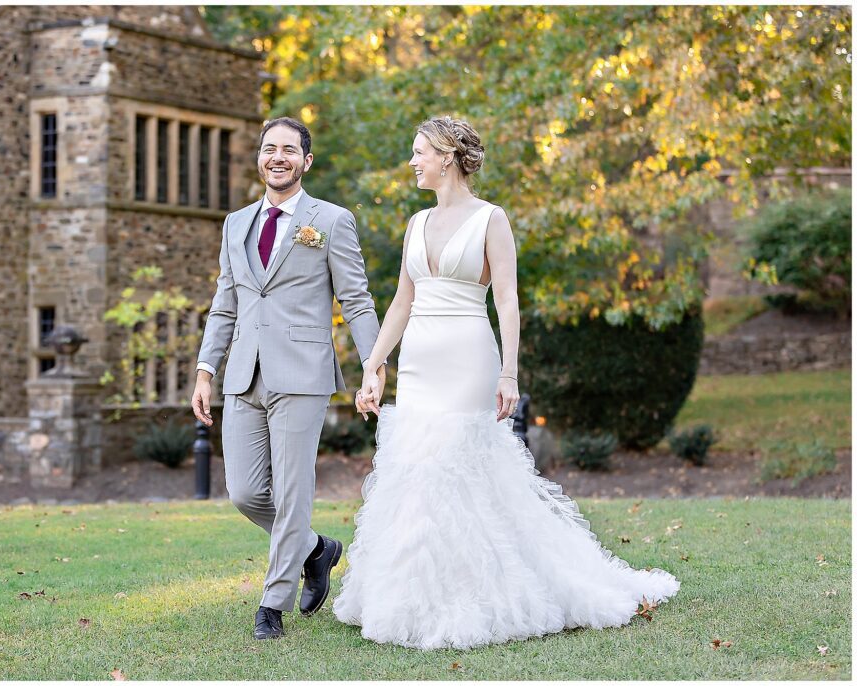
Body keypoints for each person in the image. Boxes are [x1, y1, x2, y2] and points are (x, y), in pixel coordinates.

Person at [332, 116, 680, 650]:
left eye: (419, 152)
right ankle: (415, 596)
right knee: (419, 473)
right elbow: (402, 301)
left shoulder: (491, 219)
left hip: (469, 357)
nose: (413, 161)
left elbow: (508, 301)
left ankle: (488, 595)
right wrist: (373, 366)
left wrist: (509, 372)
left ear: (447, 156)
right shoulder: (415, 223)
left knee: (459, 468)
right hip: (421, 362)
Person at [192, 117, 385, 640]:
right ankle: (316, 551)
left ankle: (271, 604)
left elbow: (357, 300)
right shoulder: (235, 224)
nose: (278, 157)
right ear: (259, 157)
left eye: (289, 150)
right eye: (269, 149)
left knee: (293, 491)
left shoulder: (332, 220)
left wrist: (374, 365)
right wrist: (207, 369)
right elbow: (224, 303)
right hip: (243, 376)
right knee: (245, 491)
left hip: (302, 375)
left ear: (307, 161)